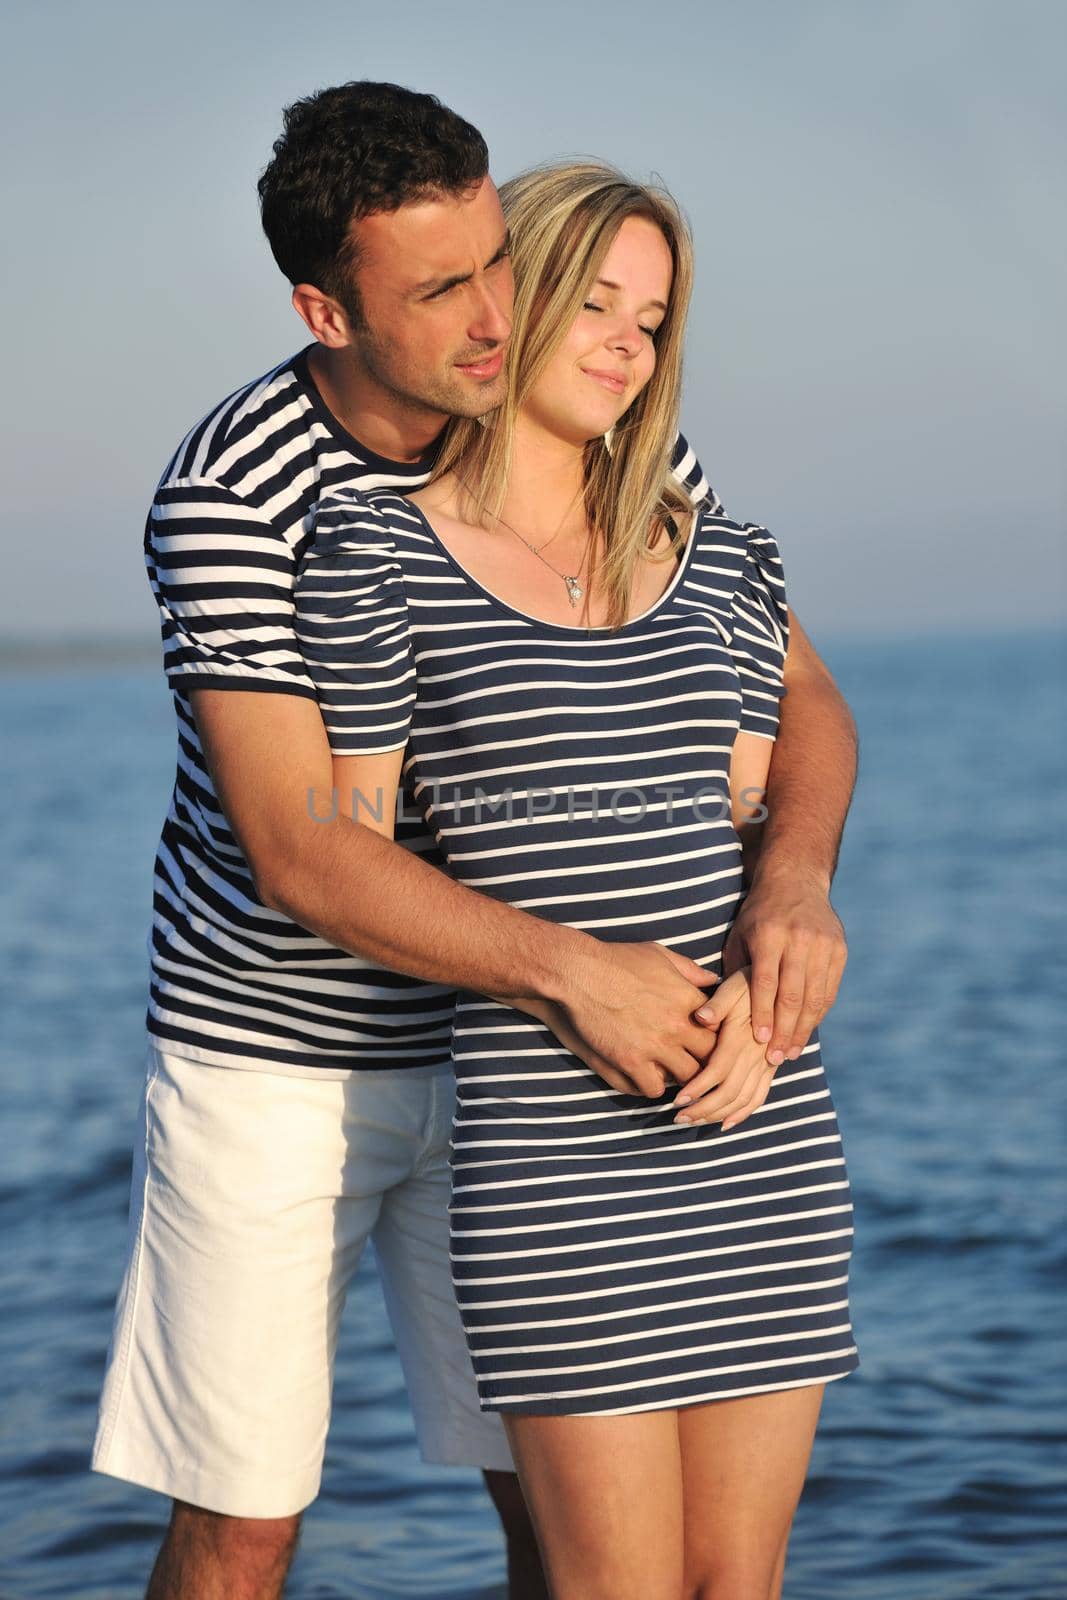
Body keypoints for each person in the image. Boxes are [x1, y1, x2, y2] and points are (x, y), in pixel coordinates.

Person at [91, 82, 856, 1600]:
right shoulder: (240, 492)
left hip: (522, 1069)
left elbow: (789, 683)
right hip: (284, 1058)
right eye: (441, 290)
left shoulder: (594, 423)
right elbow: (307, 854)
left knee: (552, 1524)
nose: (497, 313)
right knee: (242, 1523)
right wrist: (576, 971)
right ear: (327, 307)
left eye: (500, 258)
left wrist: (789, 880)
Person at [292, 158, 860, 1600]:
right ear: (515, 295)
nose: (626, 339)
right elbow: (346, 857)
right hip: (554, 1155)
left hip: (757, 1125)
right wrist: (567, 973)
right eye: (596, 298)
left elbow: (762, 799)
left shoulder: (724, 557)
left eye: (654, 318)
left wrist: (782, 946)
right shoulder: (374, 553)